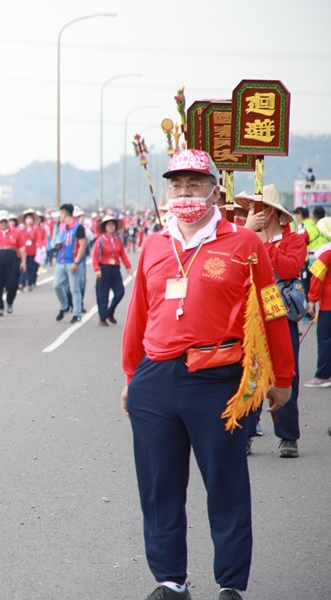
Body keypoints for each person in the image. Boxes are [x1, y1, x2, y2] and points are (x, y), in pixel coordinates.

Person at [121, 149, 294, 600]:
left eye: (194, 184)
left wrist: (283, 376)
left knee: (226, 485)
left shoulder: (244, 244)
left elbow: (272, 312)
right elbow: (139, 315)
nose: (185, 193)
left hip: (219, 380)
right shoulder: (156, 244)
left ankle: (231, 584)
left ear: (215, 189)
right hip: (156, 380)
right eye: (176, 185)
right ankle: (170, 581)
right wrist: (131, 378)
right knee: (159, 488)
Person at [237, 186, 307, 458]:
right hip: (252, 315)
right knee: (249, 373)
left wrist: (262, 243)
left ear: (273, 213)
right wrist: (250, 237)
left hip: (280, 314)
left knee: (285, 374)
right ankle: (245, 433)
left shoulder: (294, 240)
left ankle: (288, 437)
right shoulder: (245, 237)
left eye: (259, 208)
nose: (252, 214)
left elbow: (290, 268)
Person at [91, 215, 132, 327]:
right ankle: (102, 317)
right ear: (105, 227)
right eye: (108, 224)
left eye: (113, 224)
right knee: (102, 294)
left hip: (115, 269)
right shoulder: (100, 240)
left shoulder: (118, 239)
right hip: (104, 268)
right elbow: (94, 257)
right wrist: (97, 269)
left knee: (120, 292)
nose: (111, 226)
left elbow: (122, 254)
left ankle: (110, 311)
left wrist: (128, 266)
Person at [305, 216, 331, 389]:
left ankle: (322, 376)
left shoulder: (326, 253)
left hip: (328, 305)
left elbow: (316, 278)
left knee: (325, 339)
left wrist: (312, 301)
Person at [0, 210, 25, 316]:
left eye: (5, 221)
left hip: (11, 258)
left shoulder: (16, 232)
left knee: (13, 283)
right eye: (1, 221)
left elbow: (22, 247)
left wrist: (23, 262)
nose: (3, 223)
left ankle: (10, 301)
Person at [53, 203, 87, 324]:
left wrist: (77, 261)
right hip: (61, 261)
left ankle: (77, 313)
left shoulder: (78, 227)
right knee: (57, 285)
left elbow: (83, 245)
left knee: (74, 289)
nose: (60, 216)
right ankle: (64, 306)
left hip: (72, 261)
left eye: (61, 213)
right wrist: (57, 245)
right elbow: (60, 240)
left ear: (65, 213)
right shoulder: (62, 227)